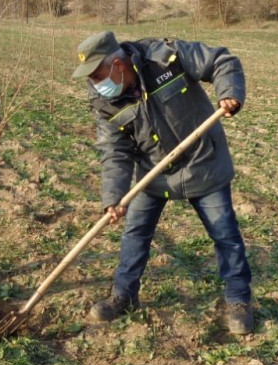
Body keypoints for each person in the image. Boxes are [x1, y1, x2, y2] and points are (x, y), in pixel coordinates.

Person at [72, 30, 254, 335]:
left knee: (225, 234)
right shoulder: (104, 102)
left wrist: (229, 90)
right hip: (153, 171)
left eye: (97, 75)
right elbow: (114, 152)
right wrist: (113, 198)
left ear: (118, 65)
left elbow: (222, 61)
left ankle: (238, 300)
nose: (95, 84)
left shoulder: (165, 57)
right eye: (90, 79)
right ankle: (124, 295)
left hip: (202, 161)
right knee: (135, 233)